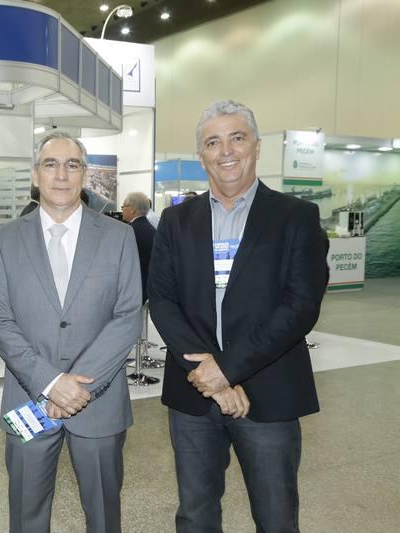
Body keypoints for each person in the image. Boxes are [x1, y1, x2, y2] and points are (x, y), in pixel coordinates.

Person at [148, 100, 328, 532]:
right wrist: (209, 374)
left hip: (269, 393)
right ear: (201, 155)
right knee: (196, 515)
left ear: (257, 147)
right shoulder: (176, 220)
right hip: (193, 395)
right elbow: (162, 300)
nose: (226, 151)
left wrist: (226, 370)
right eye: (213, 142)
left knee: (276, 517)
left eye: (237, 138)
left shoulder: (296, 217)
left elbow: (300, 306)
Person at [0, 132, 141, 533]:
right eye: (51, 164)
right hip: (28, 399)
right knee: (26, 516)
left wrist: (75, 387)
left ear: (84, 174)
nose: (61, 175)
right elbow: (0, 321)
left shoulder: (120, 237)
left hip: (98, 402)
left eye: (72, 165)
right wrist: (51, 382)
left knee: (104, 516)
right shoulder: (4, 240)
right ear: (35, 174)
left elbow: (127, 316)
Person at [121, 192, 156, 303]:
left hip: (132, 290)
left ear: (133, 209)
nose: (122, 210)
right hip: (148, 287)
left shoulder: (128, 232)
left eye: (123, 206)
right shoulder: (152, 230)